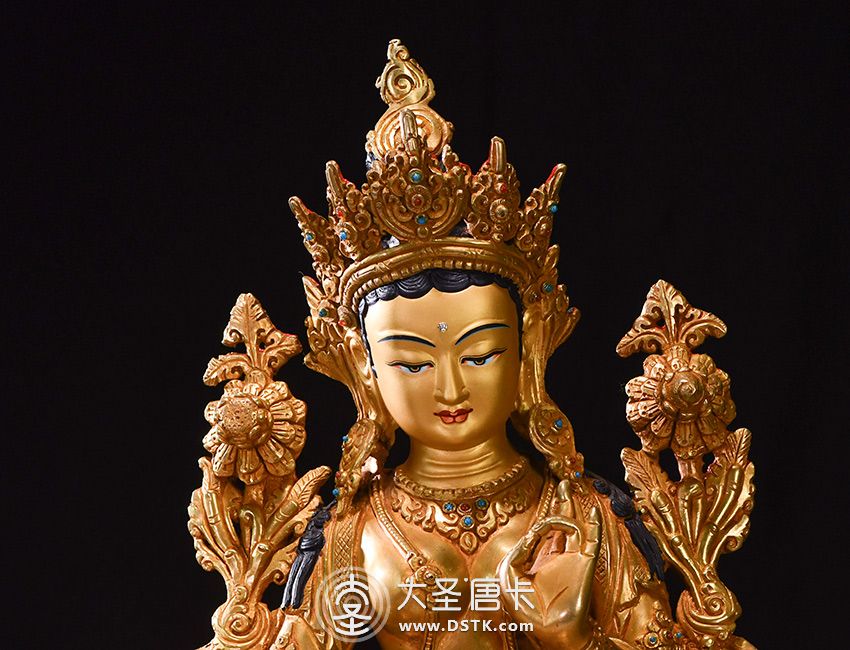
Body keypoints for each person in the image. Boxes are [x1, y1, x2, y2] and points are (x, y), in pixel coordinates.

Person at [189, 40, 755, 650]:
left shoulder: (582, 520)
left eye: (481, 354)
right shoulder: (352, 535)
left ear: (529, 351)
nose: (451, 387)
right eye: (412, 362)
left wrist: (575, 641)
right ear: (364, 369)